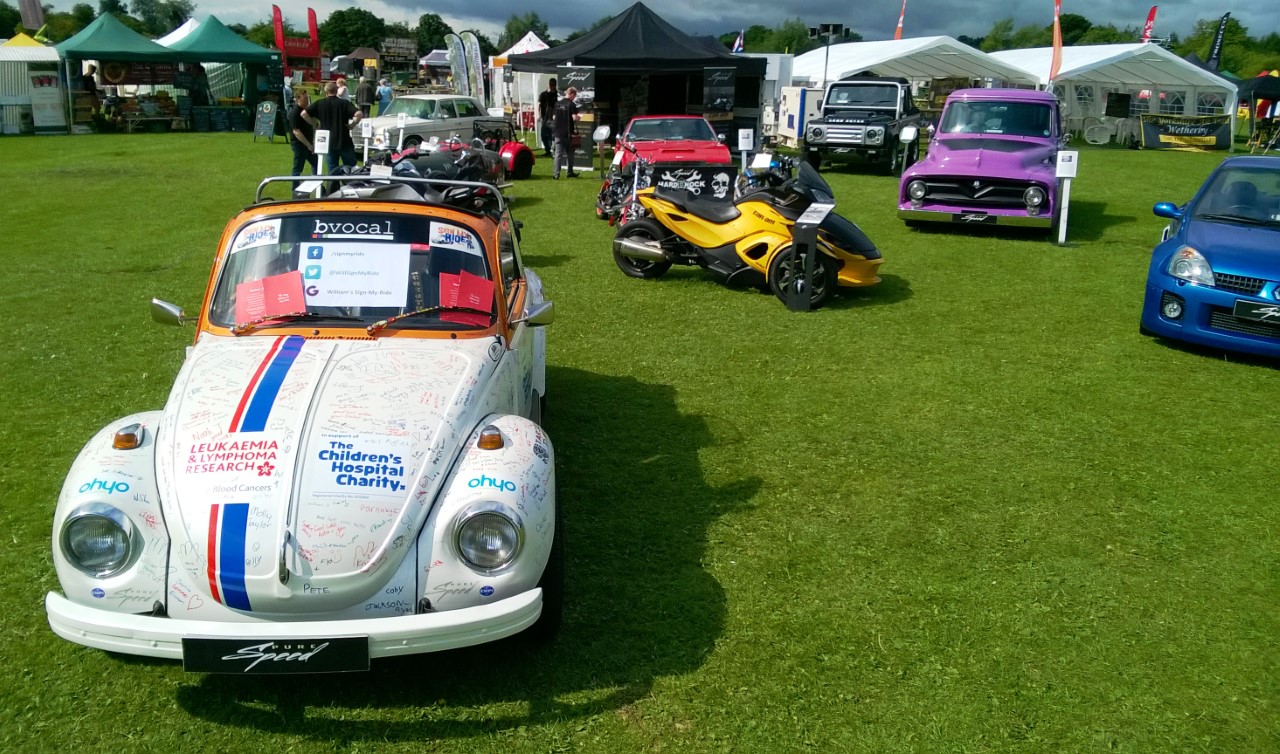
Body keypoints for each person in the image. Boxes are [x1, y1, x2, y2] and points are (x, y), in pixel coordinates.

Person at [303, 81, 363, 170]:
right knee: (351, 168)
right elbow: (359, 114)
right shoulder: (344, 103)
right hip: (344, 140)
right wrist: (352, 125)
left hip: (328, 141)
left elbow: (304, 114)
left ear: (326, 92)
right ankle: (352, 183)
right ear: (336, 91)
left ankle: (334, 184)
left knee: (332, 169)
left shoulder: (320, 103)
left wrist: (315, 124)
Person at [552, 87, 580, 179]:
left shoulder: (557, 104)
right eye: (574, 96)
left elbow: (554, 117)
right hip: (568, 133)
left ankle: (556, 173)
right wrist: (580, 117)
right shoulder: (571, 105)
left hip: (558, 132)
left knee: (558, 154)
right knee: (570, 154)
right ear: (572, 94)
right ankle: (569, 171)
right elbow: (574, 118)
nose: (574, 98)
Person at [288, 89, 318, 176]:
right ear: (297, 99)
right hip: (299, 144)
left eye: (307, 99)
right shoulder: (294, 113)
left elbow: (313, 124)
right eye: (304, 99)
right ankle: (295, 188)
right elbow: (296, 132)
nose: (306, 101)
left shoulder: (307, 111)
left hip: (309, 143)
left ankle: (317, 185)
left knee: (316, 164)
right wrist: (309, 146)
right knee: (298, 168)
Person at [537, 78, 558, 157]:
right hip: (545, 118)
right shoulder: (543, 94)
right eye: (550, 85)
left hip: (553, 119)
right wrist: (538, 115)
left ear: (555, 85)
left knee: (553, 135)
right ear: (548, 84)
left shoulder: (557, 95)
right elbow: (539, 105)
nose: (552, 86)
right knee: (544, 135)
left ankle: (554, 151)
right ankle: (548, 150)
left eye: (553, 85)